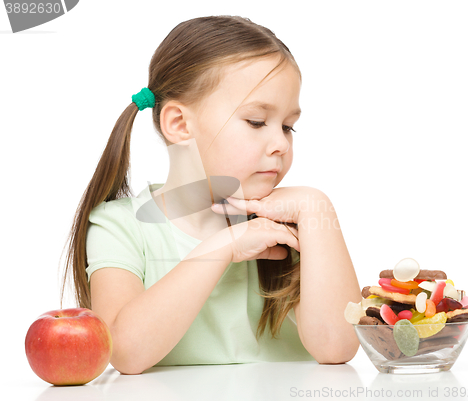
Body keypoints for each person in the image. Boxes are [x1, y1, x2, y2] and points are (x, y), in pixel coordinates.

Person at [60, 15, 361, 374]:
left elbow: (337, 346)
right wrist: (223, 247)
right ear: (180, 125)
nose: (281, 144)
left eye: (287, 126)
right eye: (256, 122)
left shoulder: (293, 220)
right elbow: (124, 352)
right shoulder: (120, 226)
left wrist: (316, 206)